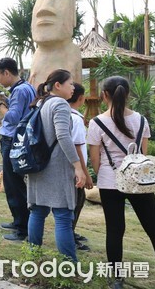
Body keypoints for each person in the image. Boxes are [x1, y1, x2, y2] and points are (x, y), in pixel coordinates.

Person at [87, 76, 155, 289]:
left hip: (111, 182)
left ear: (104, 95)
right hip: (139, 181)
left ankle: (116, 279)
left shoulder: (96, 122)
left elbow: (95, 159)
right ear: (127, 95)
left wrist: (107, 173)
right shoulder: (141, 120)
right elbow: (142, 154)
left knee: (115, 230)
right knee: (153, 226)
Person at [27, 69, 86, 262]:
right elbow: (63, 136)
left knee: (38, 211)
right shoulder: (60, 104)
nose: (73, 88)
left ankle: (33, 255)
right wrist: (78, 167)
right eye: (70, 84)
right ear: (58, 85)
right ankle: (70, 264)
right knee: (62, 217)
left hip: (39, 165)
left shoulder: (42, 103)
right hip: (57, 169)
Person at [0, 57, 36, 241]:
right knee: (16, 183)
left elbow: (13, 117)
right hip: (20, 139)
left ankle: (21, 228)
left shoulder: (19, 91)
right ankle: (18, 220)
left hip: (12, 140)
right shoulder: (26, 87)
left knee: (13, 184)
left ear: (7, 73)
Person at [67, 83, 93, 252]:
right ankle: (69, 237)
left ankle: (70, 233)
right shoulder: (75, 119)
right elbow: (77, 148)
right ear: (81, 98)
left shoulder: (63, 115)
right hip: (73, 169)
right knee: (76, 202)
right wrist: (85, 173)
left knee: (74, 202)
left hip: (66, 168)